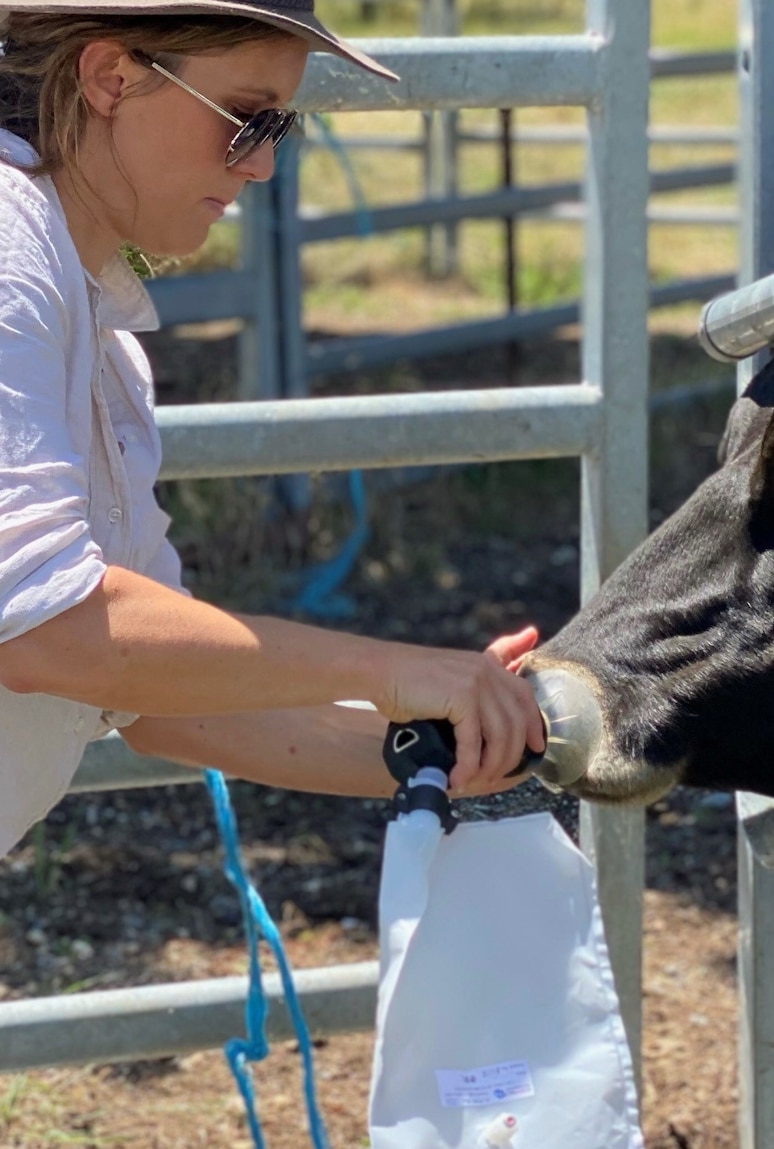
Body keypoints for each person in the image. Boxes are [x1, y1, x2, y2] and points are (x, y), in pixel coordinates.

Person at [0, 0, 545, 860]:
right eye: (247, 117)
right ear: (110, 77)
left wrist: (453, 742)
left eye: (280, 125)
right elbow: (44, 629)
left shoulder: (91, 318)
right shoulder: (8, 249)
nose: (262, 165)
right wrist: (386, 669)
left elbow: (164, 692)